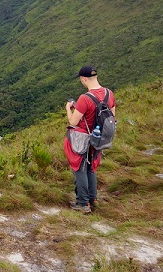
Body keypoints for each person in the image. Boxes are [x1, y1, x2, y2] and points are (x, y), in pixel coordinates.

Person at [64, 65, 116, 214]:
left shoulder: (84, 98)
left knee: (80, 168)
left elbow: (73, 122)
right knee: (91, 168)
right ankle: (93, 199)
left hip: (83, 138)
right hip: (99, 138)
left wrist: (69, 109)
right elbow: (112, 116)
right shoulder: (109, 94)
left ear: (84, 79)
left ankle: (82, 203)